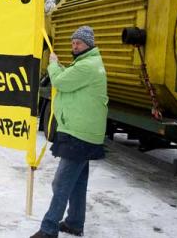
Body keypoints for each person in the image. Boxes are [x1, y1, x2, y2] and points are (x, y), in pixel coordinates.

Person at [31, 26, 108, 238]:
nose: (75, 46)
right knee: (78, 182)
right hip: (82, 132)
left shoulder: (88, 66)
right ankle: (74, 222)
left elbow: (60, 82)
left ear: (89, 45)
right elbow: (71, 77)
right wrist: (61, 66)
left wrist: (53, 65)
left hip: (80, 135)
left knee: (61, 182)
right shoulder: (87, 63)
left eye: (79, 43)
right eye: (73, 42)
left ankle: (48, 229)